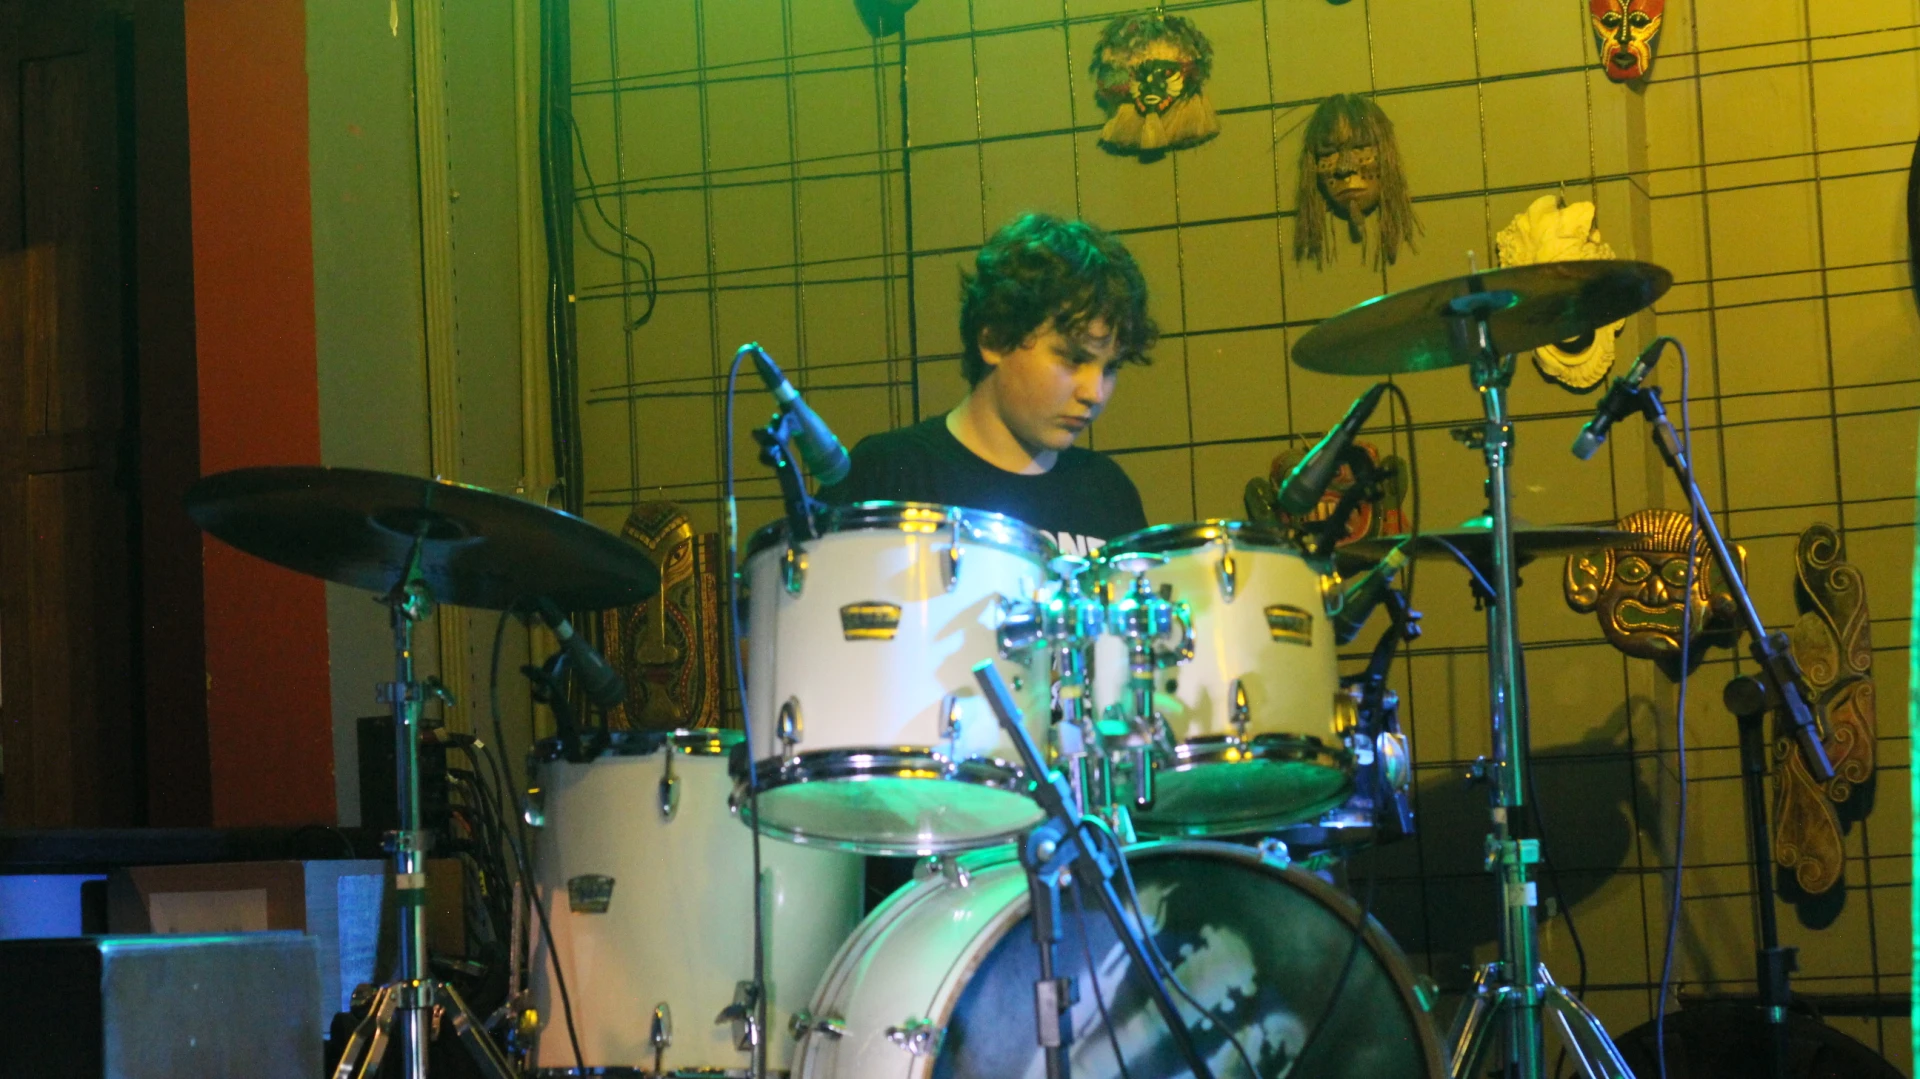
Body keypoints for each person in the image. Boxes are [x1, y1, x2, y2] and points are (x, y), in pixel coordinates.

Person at [818, 212, 1156, 555]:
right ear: (994, 339)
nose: (1094, 393)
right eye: (1072, 358)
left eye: (1110, 368)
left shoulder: (1109, 491)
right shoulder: (889, 471)